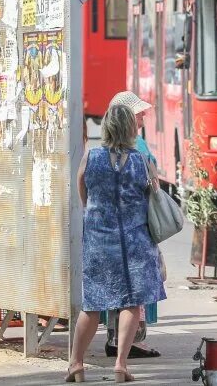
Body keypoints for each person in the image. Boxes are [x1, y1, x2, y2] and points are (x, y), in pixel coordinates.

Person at [66, 105, 166, 384]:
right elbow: (155, 200)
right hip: (135, 242)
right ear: (131, 129)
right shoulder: (142, 162)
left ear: (107, 127)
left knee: (93, 305)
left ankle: (76, 364)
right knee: (131, 303)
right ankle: (121, 365)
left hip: (99, 241)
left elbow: (84, 197)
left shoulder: (91, 157)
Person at [103, 91, 162, 359]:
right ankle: (128, 344)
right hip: (135, 228)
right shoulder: (133, 148)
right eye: (138, 112)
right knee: (134, 289)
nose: (144, 114)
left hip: (117, 228)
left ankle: (118, 340)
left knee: (121, 287)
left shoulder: (111, 150)